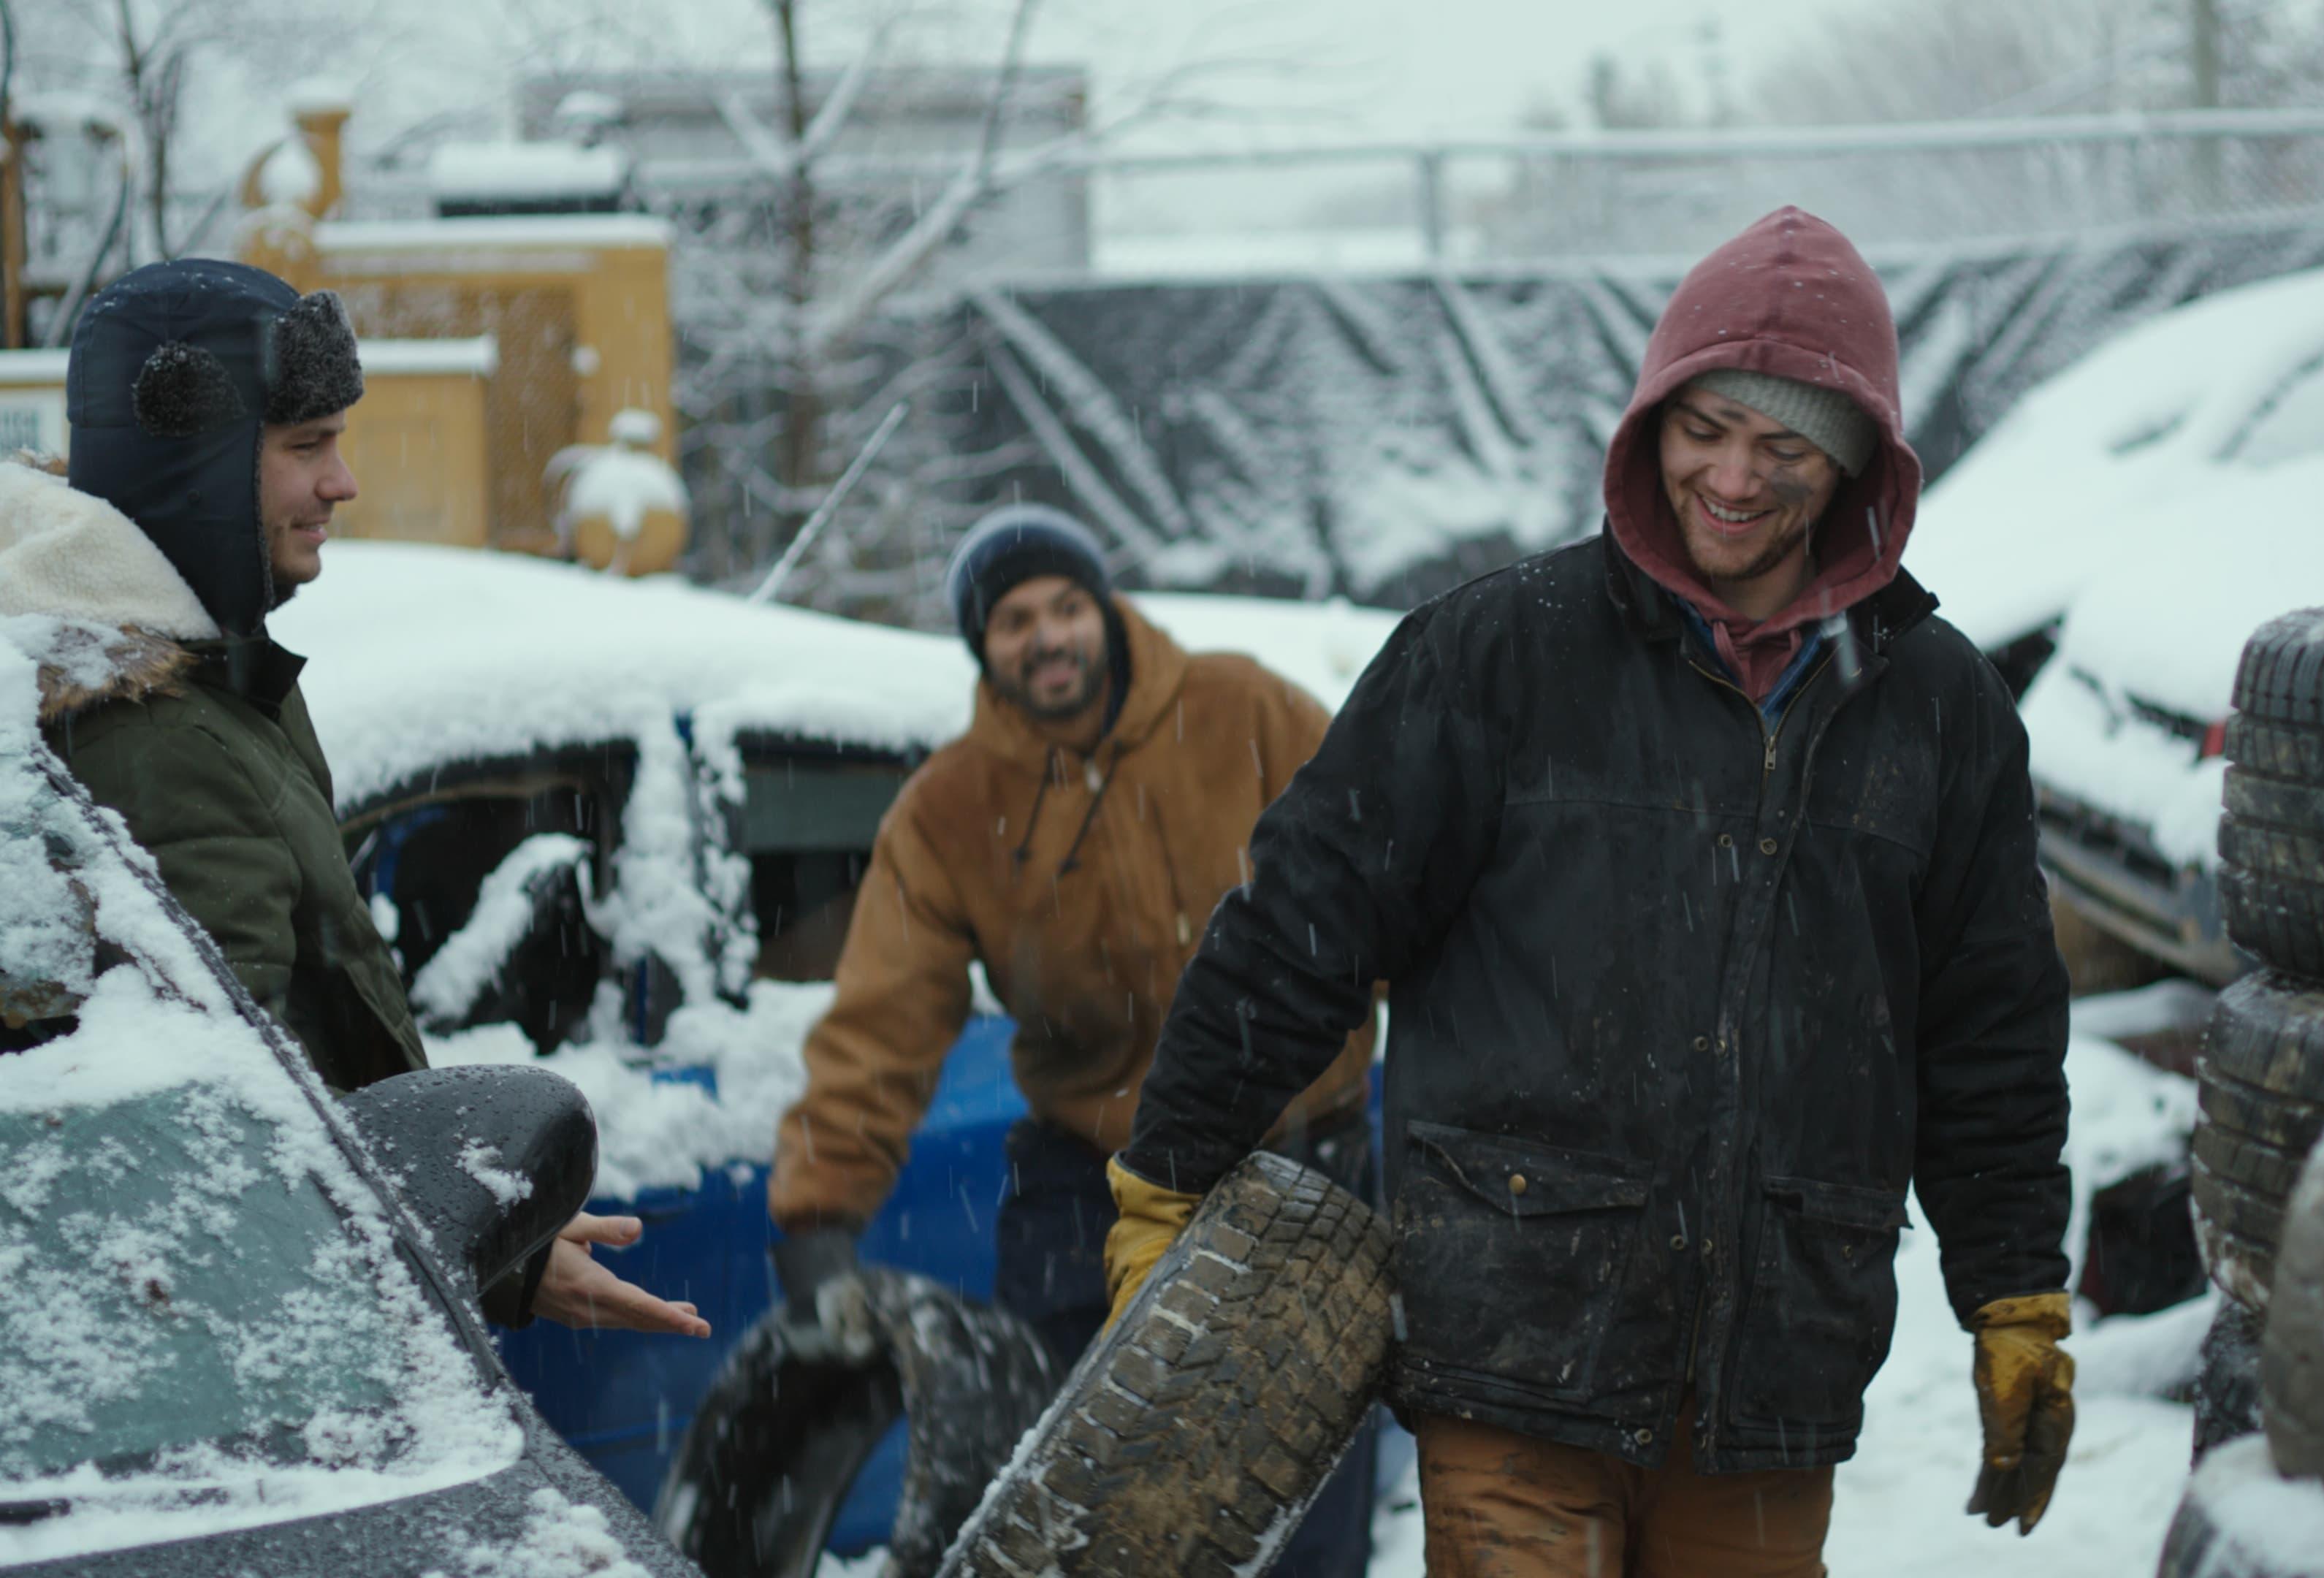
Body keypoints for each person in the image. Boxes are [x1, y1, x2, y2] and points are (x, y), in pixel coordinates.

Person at [1103, 207, 2076, 1577]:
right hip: (1512, 1340)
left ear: (1858, 462)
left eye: (1786, 445)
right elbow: (1304, 921)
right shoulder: (1502, 652)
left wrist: (2016, 1287)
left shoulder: (1940, 710)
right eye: (1705, 428)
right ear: (1650, 421)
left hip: (1773, 1379)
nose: (1733, 478)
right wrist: (1170, 1174)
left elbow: (1987, 1030)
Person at [12, 256, 706, 1340]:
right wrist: (460, 1249)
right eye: (305, 447)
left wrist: (500, 1264)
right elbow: (205, 1162)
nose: (343, 482)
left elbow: (297, 1100)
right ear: (195, 462)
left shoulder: (208, 679)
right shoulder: (156, 744)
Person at [764, 503, 1382, 1575]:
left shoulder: (1247, 708)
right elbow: (881, 1018)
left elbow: (1390, 864)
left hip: (1295, 1171)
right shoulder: (948, 809)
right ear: (982, 649)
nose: (1046, 637)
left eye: (1063, 607)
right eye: (1013, 622)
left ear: (1102, 609)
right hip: (1086, 1185)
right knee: (1070, 1513)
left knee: (1298, 1495)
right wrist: (818, 1210)